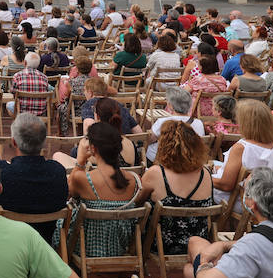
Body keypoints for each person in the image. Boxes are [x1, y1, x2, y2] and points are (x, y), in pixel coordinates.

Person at [69, 121, 148, 258]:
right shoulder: (135, 180)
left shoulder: (82, 179)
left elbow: (70, 192)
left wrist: (80, 160)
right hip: (121, 247)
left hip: (87, 248)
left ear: (93, 148)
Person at [0, 113, 69, 244]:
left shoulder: (1, 173)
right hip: (45, 242)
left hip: (8, 243)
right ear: (44, 142)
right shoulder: (57, 172)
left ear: (14, 142)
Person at [143, 122, 215, 255]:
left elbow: (138, 202)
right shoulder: (205, 173)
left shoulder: (156, 173)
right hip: (198, 244)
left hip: (161, 244)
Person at [146, 86, 206, 162]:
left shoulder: (162, 122)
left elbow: (150, 139)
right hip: (188, 160)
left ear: (170, 105)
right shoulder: (198, 123)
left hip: (162, 160)